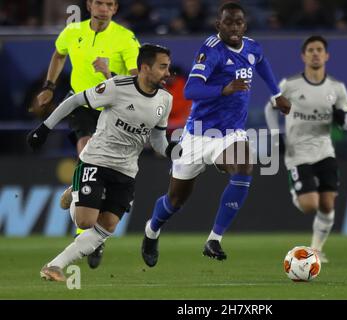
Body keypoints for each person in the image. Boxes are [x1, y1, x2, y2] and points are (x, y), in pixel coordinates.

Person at [141, 2, 291, 267]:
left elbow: (262, 62)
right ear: (218, 25)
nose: (234, 28)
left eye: (239, 23)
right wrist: (223, 89)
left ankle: (214, 239)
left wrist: (277, 94)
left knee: (245, 167)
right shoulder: (211, 52)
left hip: (230, 133)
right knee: (175, 201)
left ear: (245, 25)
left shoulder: (252, 47)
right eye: (229, 23)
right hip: (198, 133)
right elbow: (191, 91)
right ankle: (152, 230)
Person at [27, 44, 175, 282]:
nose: (168, 73)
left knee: (107, 226)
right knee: (85, 221)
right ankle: (76, 191)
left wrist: (172, 151)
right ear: (145, 67)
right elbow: (75, 100)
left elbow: (157, 139)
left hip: (126, 170)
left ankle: (54, 266)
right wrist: (44, 128)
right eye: (163, 67)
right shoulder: (117, 87)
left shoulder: (166, 100)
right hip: (96, 160)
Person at [34, 0, 140, 268]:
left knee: (98, 163)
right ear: (90, 5)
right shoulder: (72, 32)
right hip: (82, 104)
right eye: (99, 2)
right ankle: (87, 235)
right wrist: (49, 85)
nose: (104, 8)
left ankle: (79, 195)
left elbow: (137, 80)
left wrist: (109, 72)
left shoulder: (126, 38)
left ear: (115, 9)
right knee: (86, 149)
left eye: (110, 4)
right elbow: (59, 54)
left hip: (113, 107)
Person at [265, 35, 347, 263]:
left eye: (319, 49)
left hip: (324, 151)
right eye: (311, 50)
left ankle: (316, 249)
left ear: (326, 55)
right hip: (297, 152)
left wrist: (342, 118)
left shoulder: (337, 88)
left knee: (327, 203)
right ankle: (296, 189)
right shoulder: (290, 85)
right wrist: (277, 137)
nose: (315, 53)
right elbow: (269, 109)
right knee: (309, 205)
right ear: (303, 56)